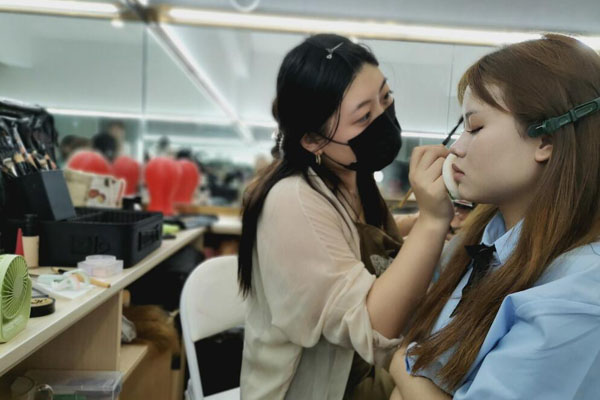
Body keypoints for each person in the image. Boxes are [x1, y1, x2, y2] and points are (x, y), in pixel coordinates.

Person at [238, 33, 454, 399]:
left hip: (360, 374)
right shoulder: (293, 201)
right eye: (364, 116)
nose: (383, 118)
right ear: (313, 140)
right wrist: (432, 222)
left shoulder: (353, 176)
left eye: (386, 97)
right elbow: (375, 325)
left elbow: (357, 240)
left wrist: (416, 224)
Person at [389, 34, 600, 400]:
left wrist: (400, 365)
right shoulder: (488, 239)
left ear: (546, 141)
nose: (457, 148)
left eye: (475, 128)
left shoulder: (577, 296)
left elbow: (414, 357)